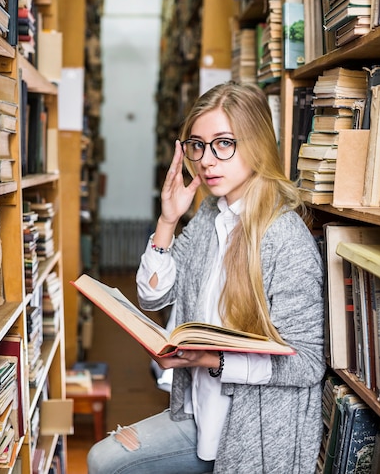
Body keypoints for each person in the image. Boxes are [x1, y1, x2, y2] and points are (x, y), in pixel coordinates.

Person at [87, 82, 326, 473]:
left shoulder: (285, 237)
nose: (207, 161)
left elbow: (308, 363)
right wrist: (167, 220)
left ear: (257, 144)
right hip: (198, 413)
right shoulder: (210, 214)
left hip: (252, 429)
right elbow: (154, 297)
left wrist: (213, 360)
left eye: (223, 144)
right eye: (198, 145)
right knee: (103, 460)